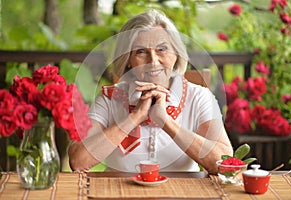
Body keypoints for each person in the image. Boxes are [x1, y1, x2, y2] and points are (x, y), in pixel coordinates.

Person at [68, 9, 233, 174]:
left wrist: (165, 121)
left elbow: (224, 163)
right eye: (141, 52)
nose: (153, 61)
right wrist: (135, 117)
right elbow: (78, 161)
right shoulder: (110, 98)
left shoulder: (199, 97)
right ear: (128, 61)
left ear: (176, 53)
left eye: (162, 49)